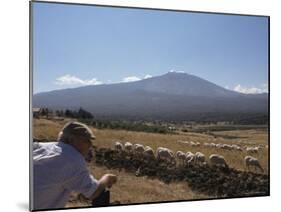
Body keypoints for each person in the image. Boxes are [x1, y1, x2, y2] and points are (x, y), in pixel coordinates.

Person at [32, 121, 117, 210]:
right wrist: (107, 178)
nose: (90, 145)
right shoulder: (72, 158)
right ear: (71, 139)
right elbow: (93, 192)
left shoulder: (39, 147)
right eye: (86, 140)